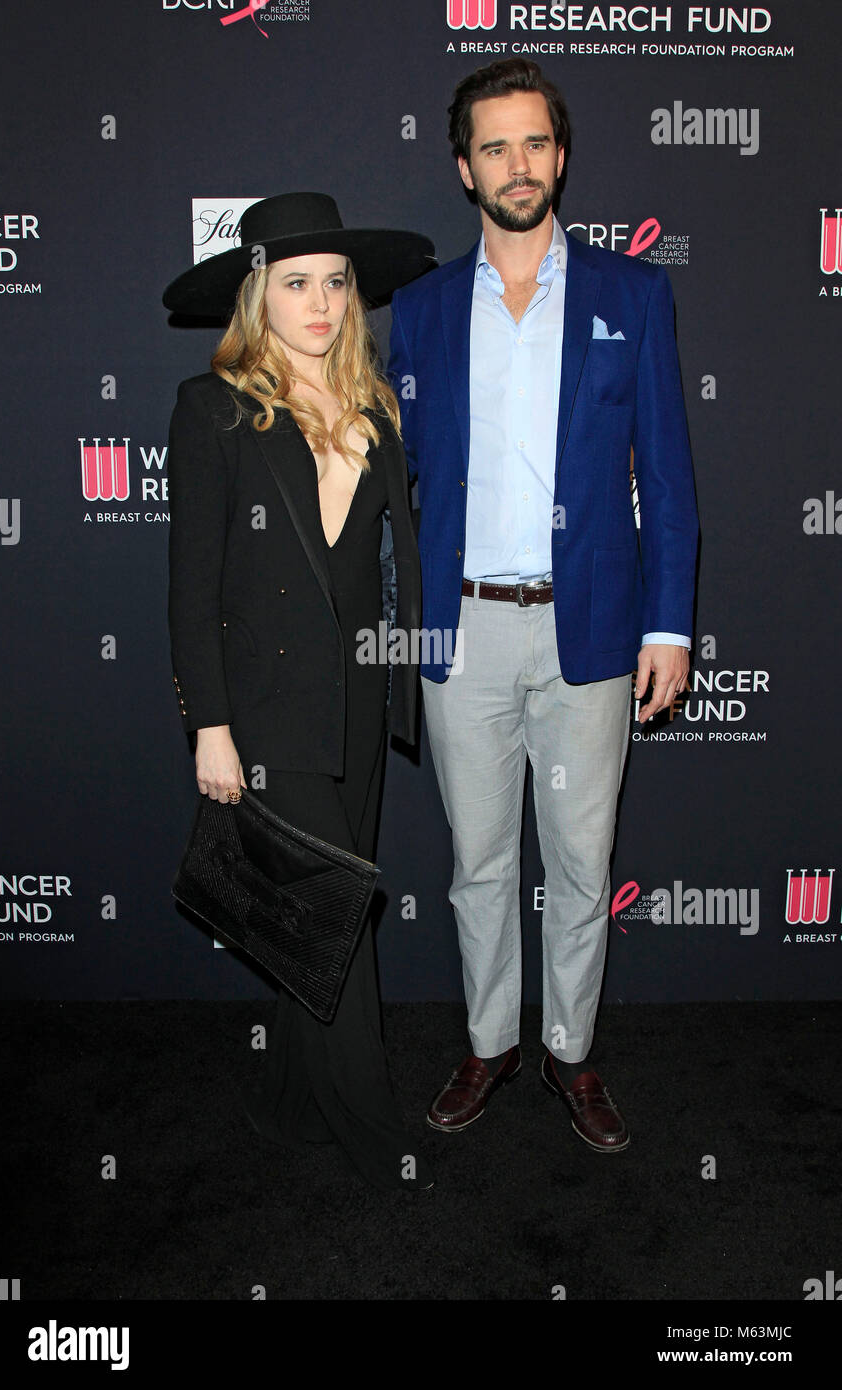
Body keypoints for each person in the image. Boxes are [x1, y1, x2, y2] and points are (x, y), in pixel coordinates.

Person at [388, 60, 699, 1152]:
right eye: (493, 147)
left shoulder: (632, 295)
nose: (516, 165)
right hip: (463, 630)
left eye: (534, 143)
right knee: (478, 861)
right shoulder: (421, 312)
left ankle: (568, 1050)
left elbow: (664, 475)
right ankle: (489, 1042)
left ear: (558, 157)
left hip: (594, 632)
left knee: (578, 858)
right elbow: (399, 474)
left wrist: (668, 625)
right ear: (463, 167)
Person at [162, 192, 436, 1191]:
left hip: (358, 701)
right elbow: (191, 588)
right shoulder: (216, 409)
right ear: (259, 297)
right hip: (269, 712)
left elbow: (383, 566)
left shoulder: (379, 407)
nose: (319, 305)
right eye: (295, 285)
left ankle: (285, 1100)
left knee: (314, 921)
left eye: (334, 284)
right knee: (336, 917)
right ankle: (376, 1138)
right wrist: (213, 727)